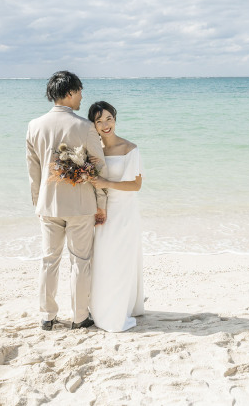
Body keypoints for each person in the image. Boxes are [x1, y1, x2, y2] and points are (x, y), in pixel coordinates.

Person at [26, 71, 107, 331]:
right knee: (80, 261)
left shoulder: (34, 125)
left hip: (48, 205)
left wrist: (38, 202)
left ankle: (47, 316)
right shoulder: (85, 126)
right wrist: (102, 204)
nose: (82, 96)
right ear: (70, 92)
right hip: (80, 206)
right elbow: (99, 168)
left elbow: (33, 170)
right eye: (80, 91)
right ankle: (80, 316)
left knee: (49, 260)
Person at [87, 101, 145, 332]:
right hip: (102, 212)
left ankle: (119, 310)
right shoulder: (93, 151)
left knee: (121, 260)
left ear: (115, 119)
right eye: (99, 121)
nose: (105, 125)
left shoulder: (130, 148)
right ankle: (100, 307)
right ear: (94, 125)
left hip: (124, 213)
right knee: (103, 261)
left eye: (108, 118)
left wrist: (106, 183)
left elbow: (136, 185)